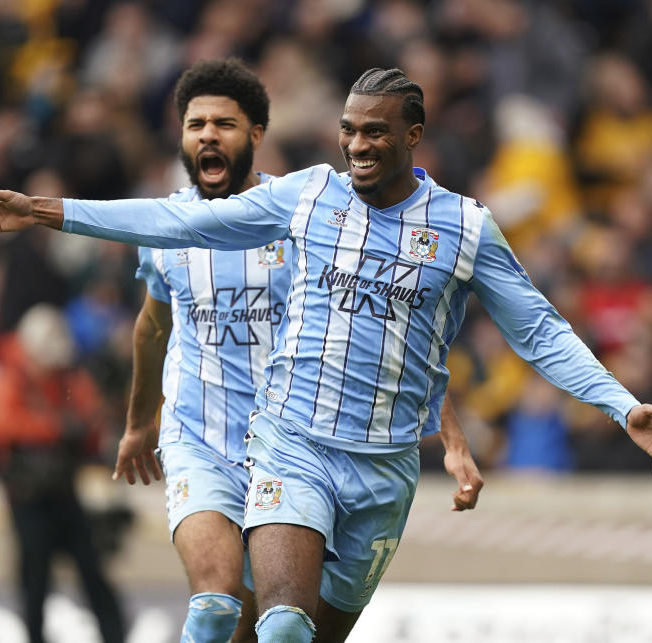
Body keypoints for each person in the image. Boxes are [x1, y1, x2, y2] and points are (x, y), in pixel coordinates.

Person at [0, 67, 652, 642]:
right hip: (292, 448)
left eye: (376, 132)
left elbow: (536, 329)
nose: (358, 145)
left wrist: (619, 401)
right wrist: (43, 211)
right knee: (278, 624)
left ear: (413, 135)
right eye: (349, 130)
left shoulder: (466, 230)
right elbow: (173, 224)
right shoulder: (308, 197)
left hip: (382, 470)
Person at [99, 58, 482, 642]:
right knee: (214, 604)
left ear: (255, 135)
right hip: (197, 439)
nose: (207, 135)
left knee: (263, 628)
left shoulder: (302, 217)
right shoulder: (165, 230)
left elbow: (387, 339)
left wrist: (449, 434)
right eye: (195, 124)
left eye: (224, 124)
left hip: (284, 447)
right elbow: (153, 328)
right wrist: (136, 425)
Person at [0, 304, 125, 643]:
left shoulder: (67, 376)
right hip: (27, 498)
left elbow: (92, 417)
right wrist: (55, 428)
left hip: (63, 492)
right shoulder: (9, 376)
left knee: (93, 573)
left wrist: (90, 429)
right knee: (35, 580)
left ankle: (116, 636)